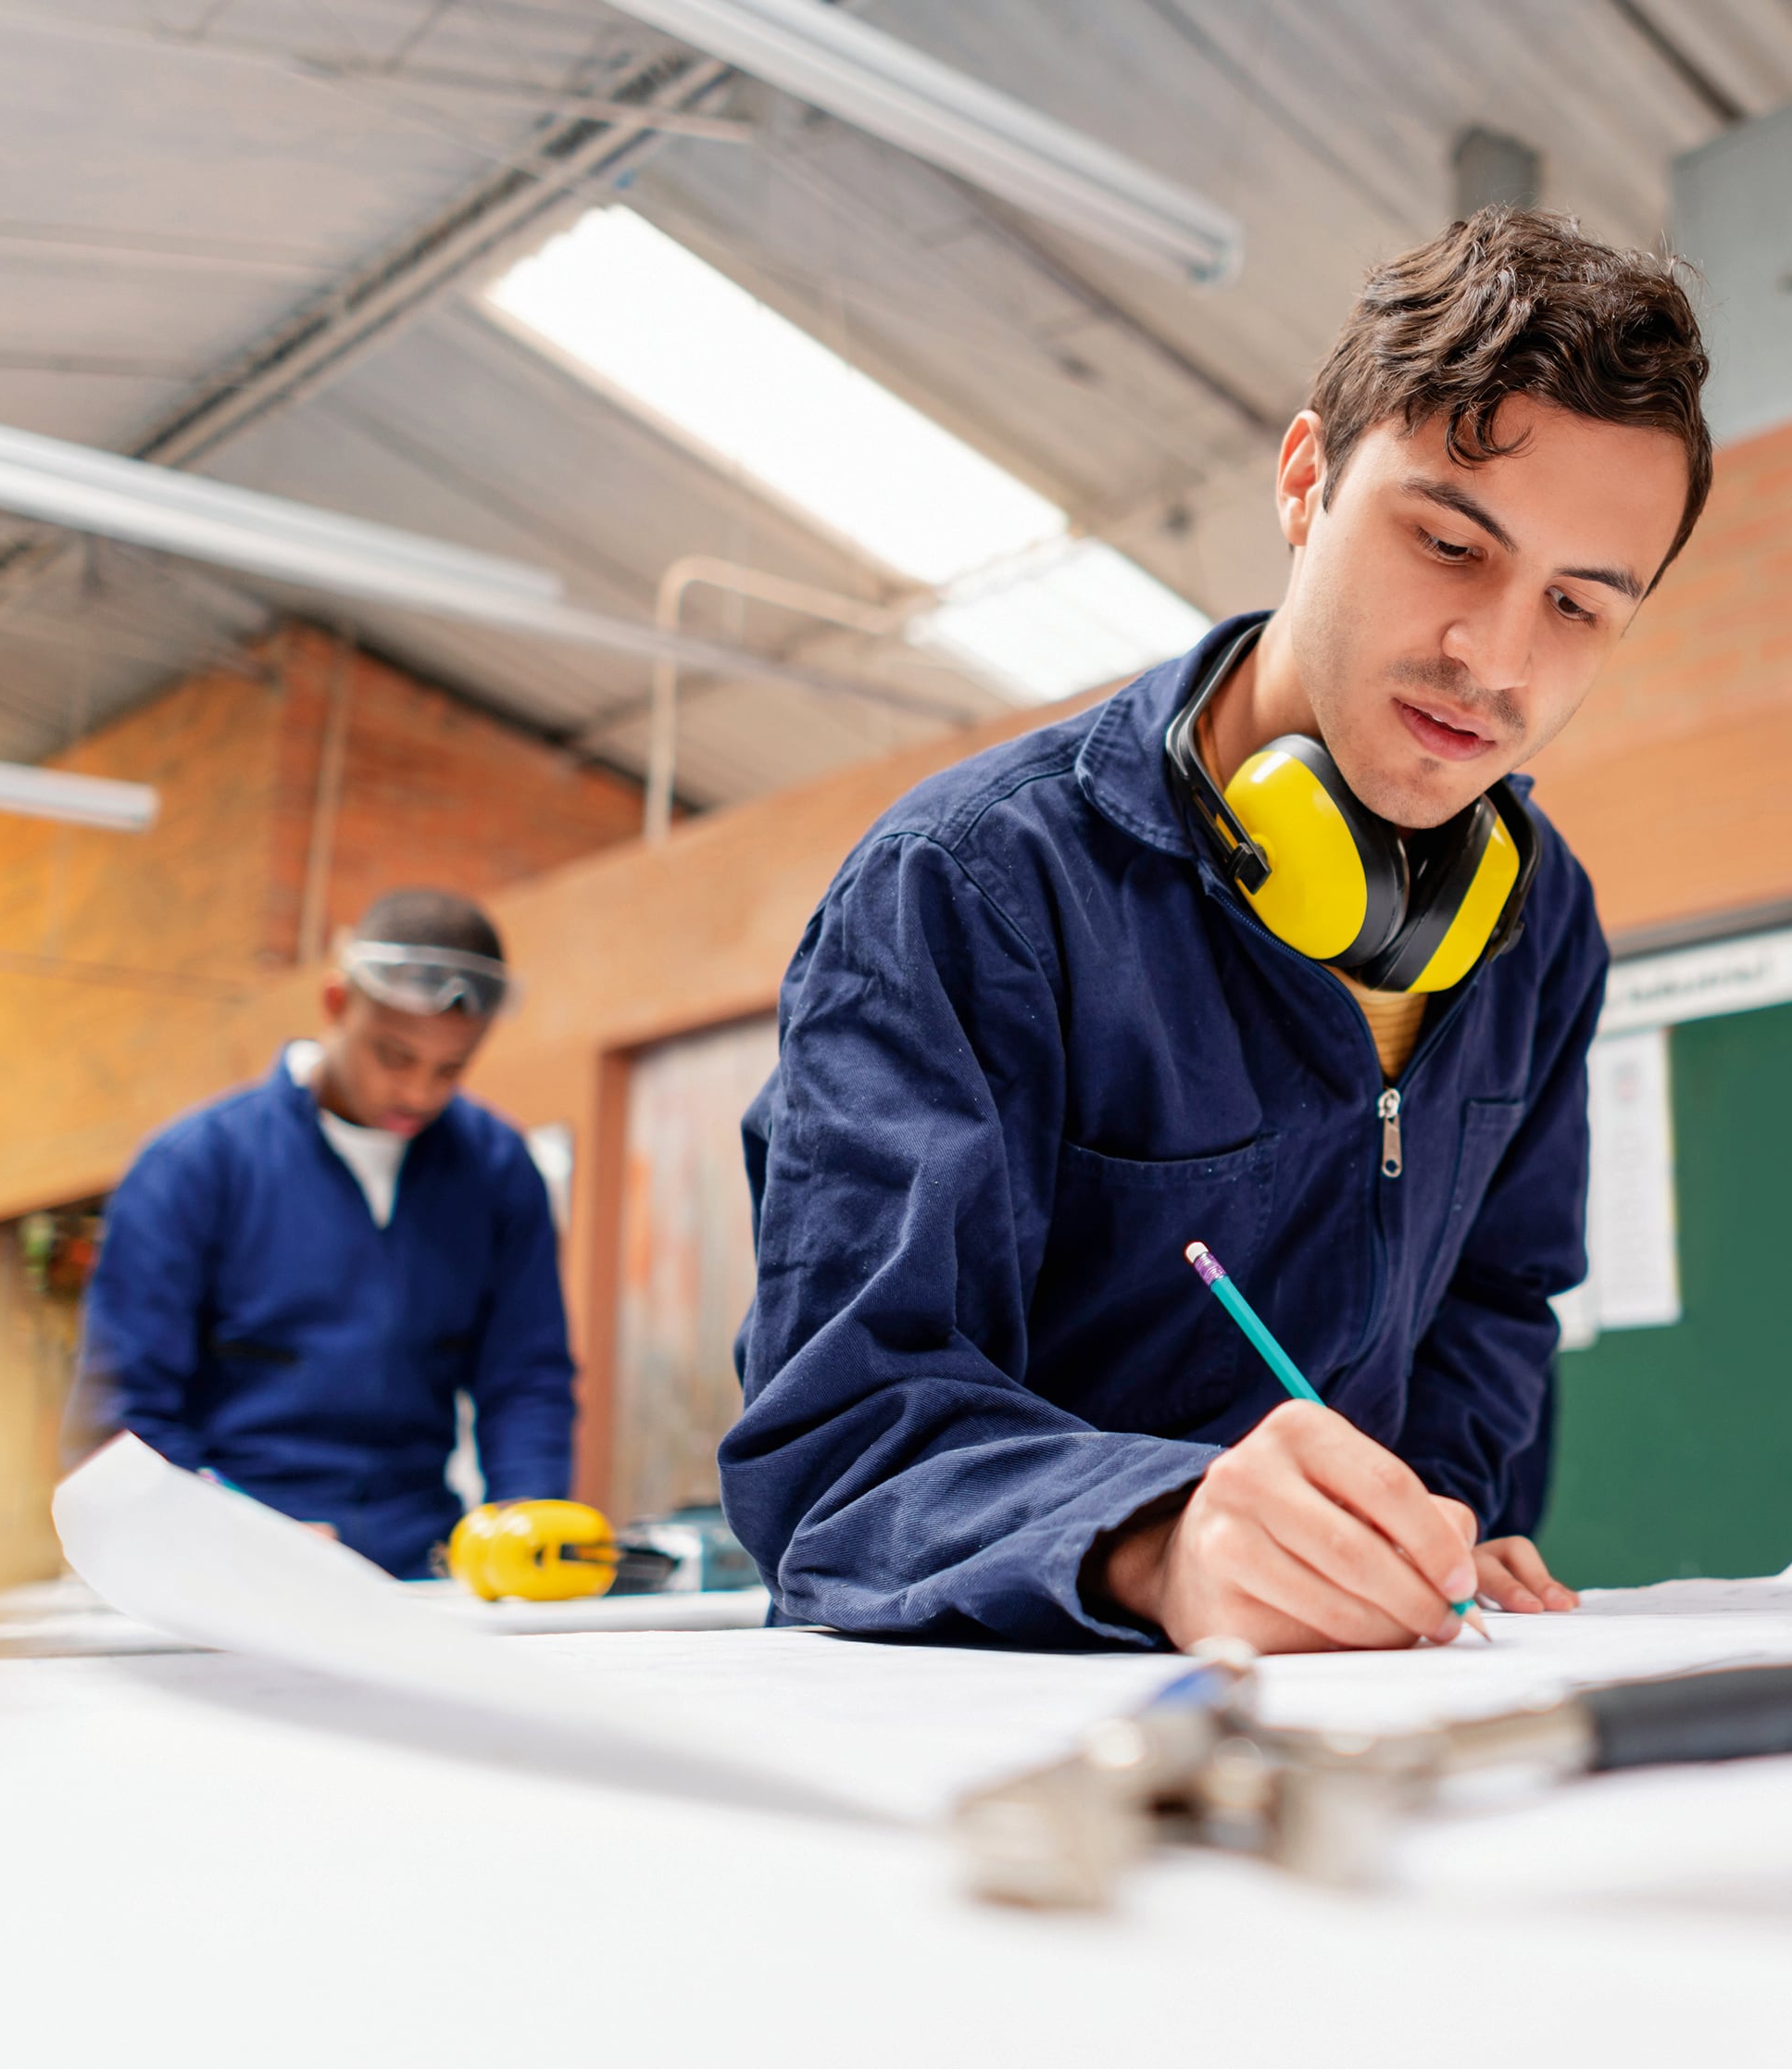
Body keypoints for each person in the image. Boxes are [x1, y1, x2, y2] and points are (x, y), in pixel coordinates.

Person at [724, 207, 1714, 1651]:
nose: (1494, 658)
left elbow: (1496, 1296)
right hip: (1001, 1717)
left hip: (1353, 1700)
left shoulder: (1537, 917)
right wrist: (1153, 1540)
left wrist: (1422, 1518)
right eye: (1448, 541)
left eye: (1576, 604)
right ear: (1306, 480)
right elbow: (840, 1444)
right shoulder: (972, 887)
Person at [73, 889, 576, 1576]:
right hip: (226, 1555)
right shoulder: (193, 1168)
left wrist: (527, 1530)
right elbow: (122, 1415)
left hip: (414, 1562)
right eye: (395, 1056)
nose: (419, 1093)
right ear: (337, 1002)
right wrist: (228, 1536)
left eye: (450, 1070)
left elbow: (526, 1379)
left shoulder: (498, 1173)